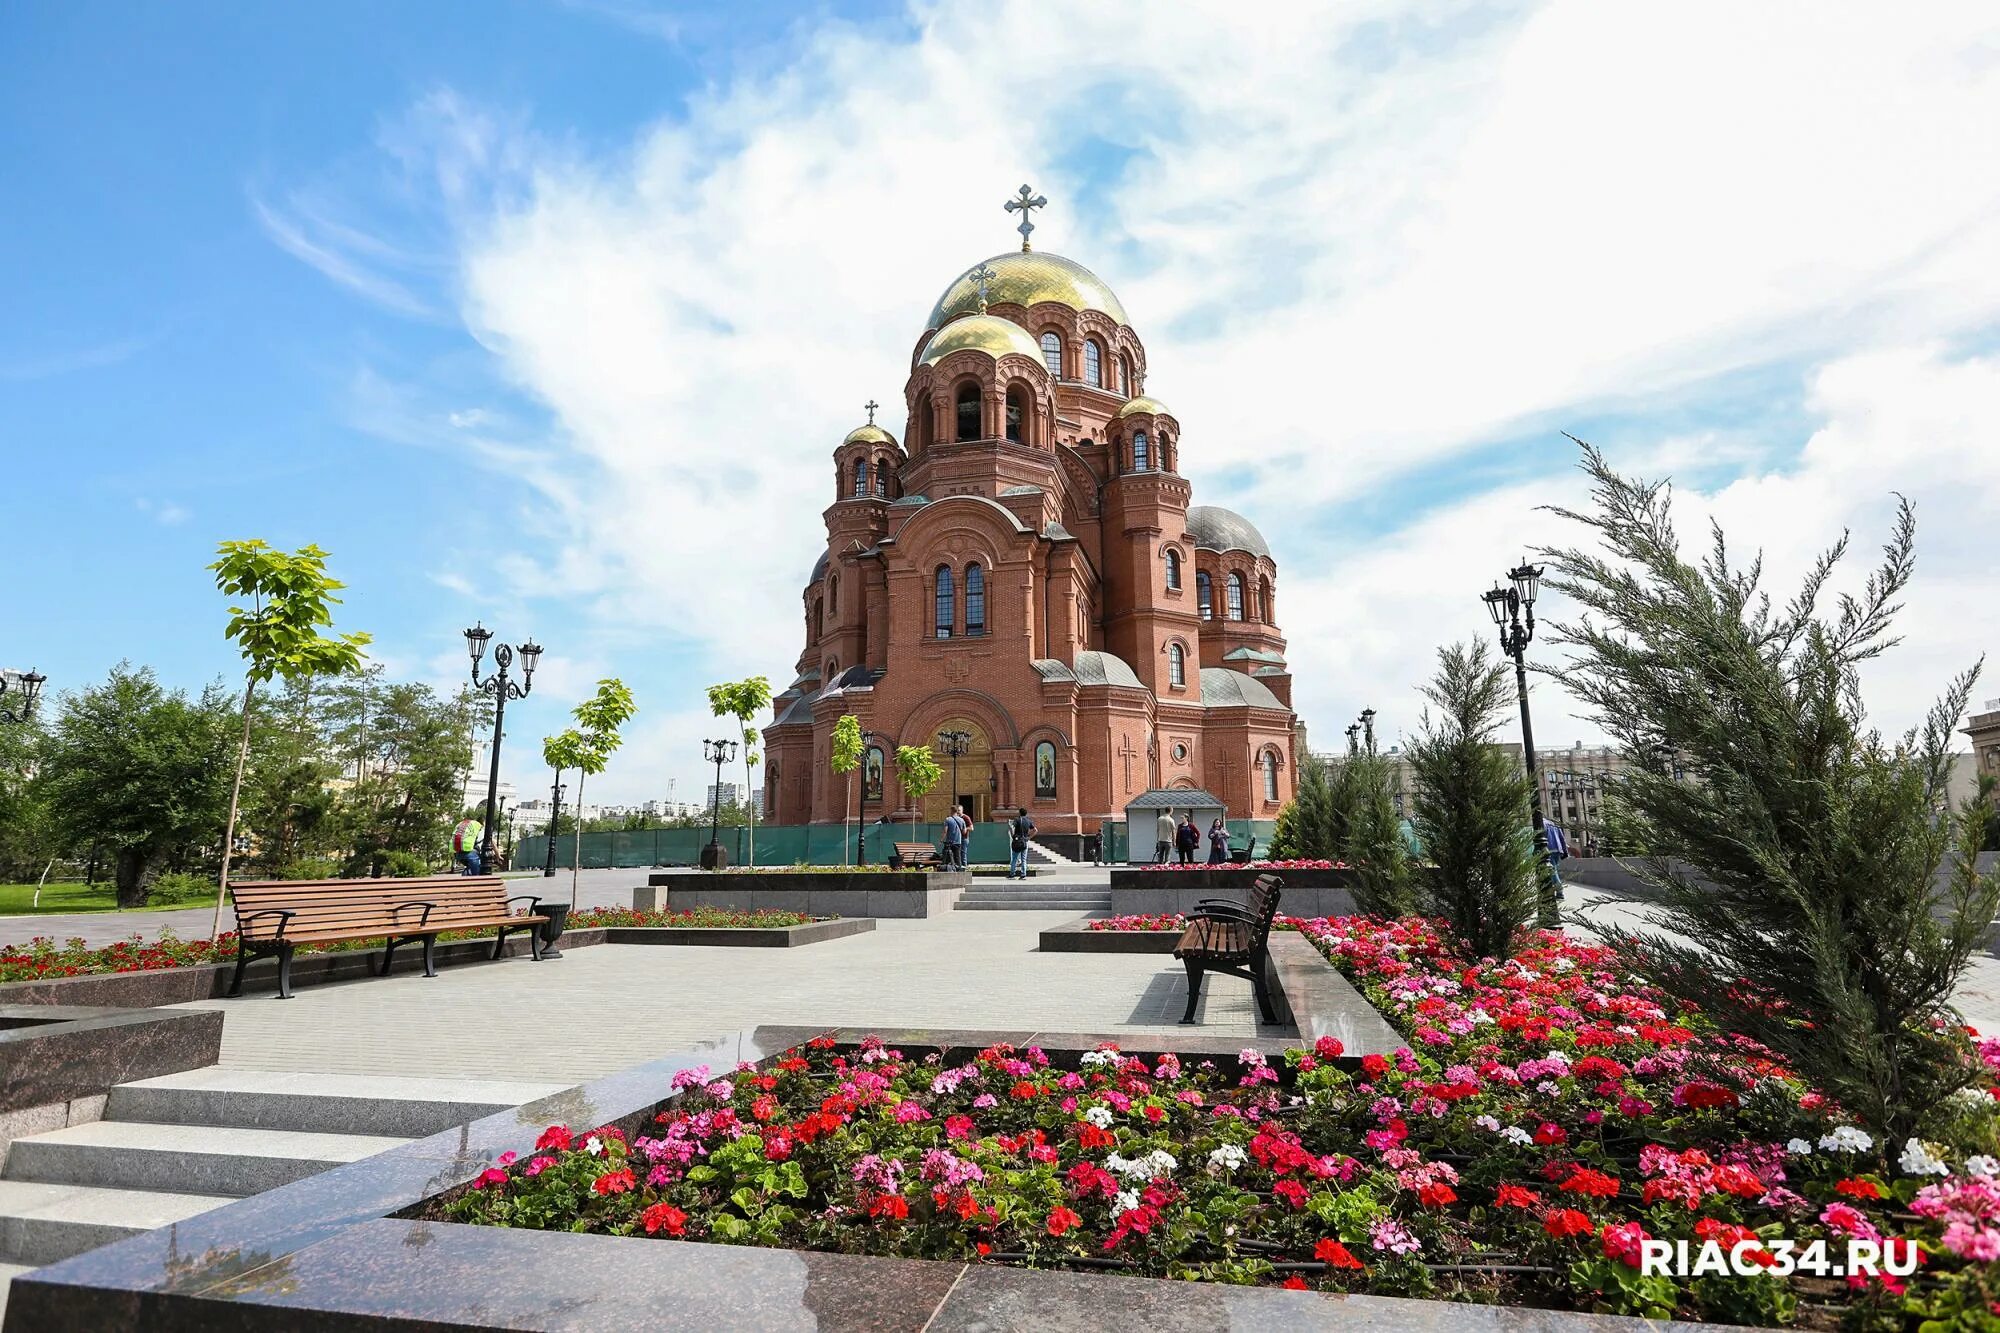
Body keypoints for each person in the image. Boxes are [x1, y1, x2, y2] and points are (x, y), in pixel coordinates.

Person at [1010, 808, 1037, 879]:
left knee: (1014, 858)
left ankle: (1012, 874)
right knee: (1024, 859)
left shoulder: (1017, 819)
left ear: (1019, 813)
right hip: (1025, 841)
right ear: (1026, 813)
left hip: (1017, 841)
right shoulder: (1028, 821)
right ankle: (1023, 874)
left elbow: (1011, 827)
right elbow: (1035, 830)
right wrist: (1028, 838)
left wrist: (1013, 836)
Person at [942, 805, 965, 869]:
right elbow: (964, 832)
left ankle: (949, 870)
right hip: (958, 842)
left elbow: (945, 831)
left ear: (951, 811)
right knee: (958, 857)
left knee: (948, 857)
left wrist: (941, 840)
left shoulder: (948, 819)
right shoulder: (961, 820)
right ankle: (959, 870)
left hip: (949, 842)